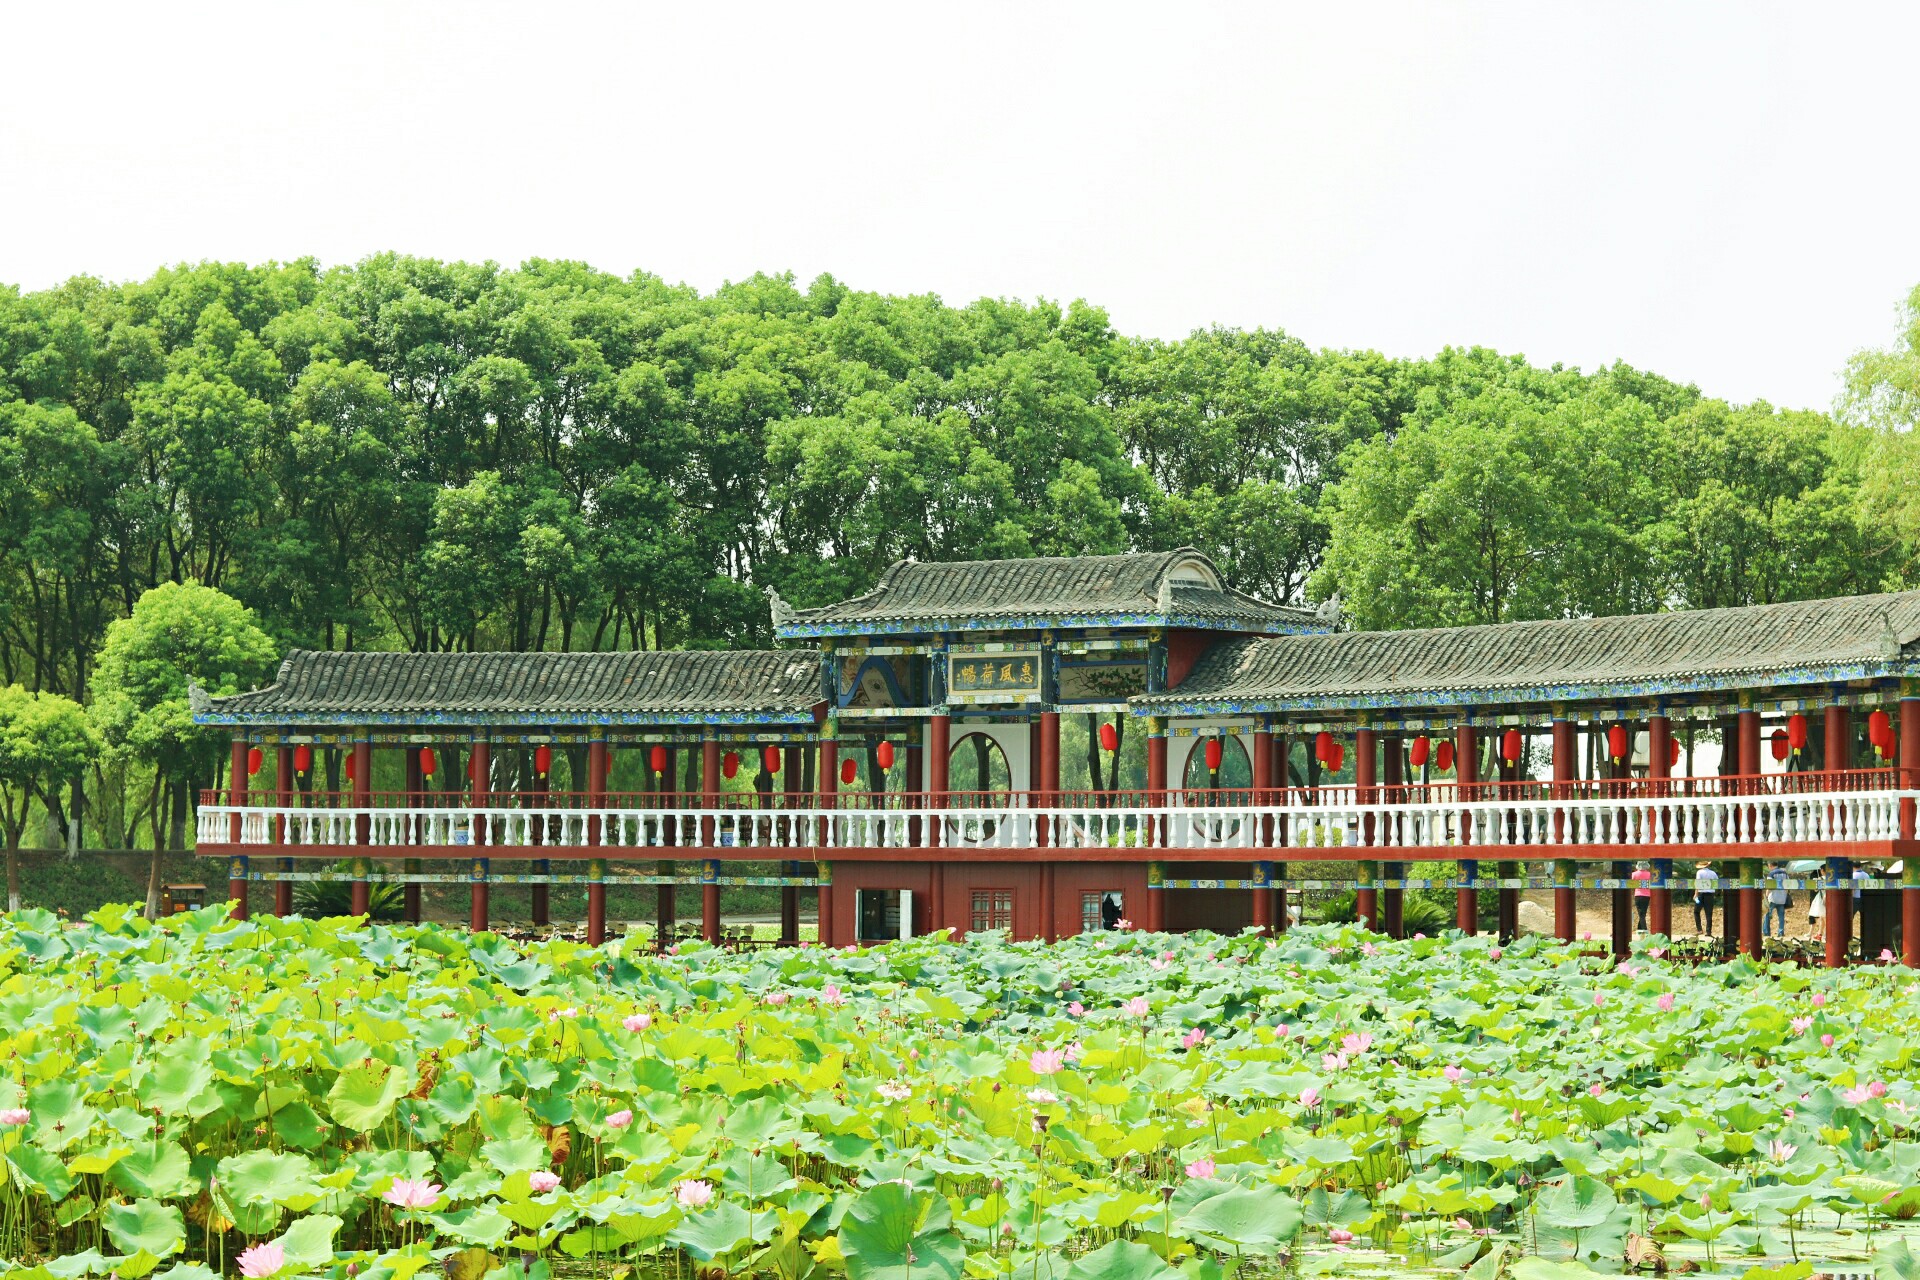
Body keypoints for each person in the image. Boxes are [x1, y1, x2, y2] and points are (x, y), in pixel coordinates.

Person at [1764, 865, 1790, 940]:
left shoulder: (1771, 874)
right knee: (1781, 916)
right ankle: (1781, 932)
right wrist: (1786, 894)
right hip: (1782, 899)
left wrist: (1766, 896)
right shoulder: (1785, 874)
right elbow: (1787, 886)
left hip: (1772, 898)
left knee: (1767, 915)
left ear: (1770, 865)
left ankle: (1767, 932)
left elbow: (1769, 886)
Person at [1693, 862, 1718, 935]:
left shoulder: (1699, 872)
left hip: (1701, 895)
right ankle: (1708, 931)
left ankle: (1699, 930)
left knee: (1696, 911)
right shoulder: (1713, 873)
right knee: (1709, 913)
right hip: (1710, 895)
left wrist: (1695, 894)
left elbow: (1698, 883)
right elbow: (1717, 882)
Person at [1630, 862, 1652, 932]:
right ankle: (1639, 929)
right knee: (1643, 913)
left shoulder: (1634, 874)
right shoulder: (1650, 875)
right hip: (1647, 896)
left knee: (1641, 914)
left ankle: (1644, 930)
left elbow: (1629, 883)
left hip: (1638, 895)